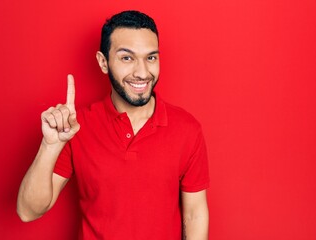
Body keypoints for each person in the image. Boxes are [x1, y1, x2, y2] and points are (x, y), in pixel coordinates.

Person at [17, 10, 209, 240]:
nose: (142, 72)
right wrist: (50, 146)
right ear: (103, 62)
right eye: (127, 58)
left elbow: (195, 214)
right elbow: (28, 211)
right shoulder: (76, 127)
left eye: (151, 57)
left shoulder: (187, 129)